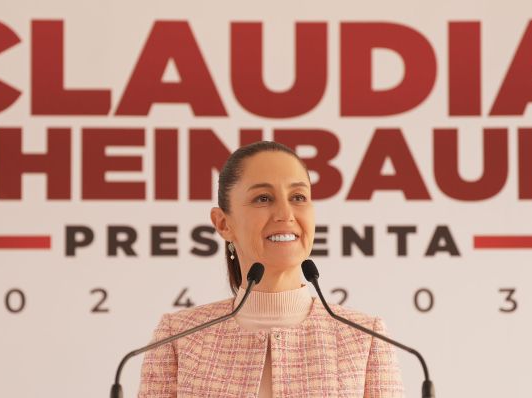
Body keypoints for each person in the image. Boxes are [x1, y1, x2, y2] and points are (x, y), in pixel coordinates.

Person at [139, 141, 404, 397]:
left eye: (298, 197)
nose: (285, 214)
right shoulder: (177, 339)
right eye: (263, 198)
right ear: (222, 224)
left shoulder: (365, 338)